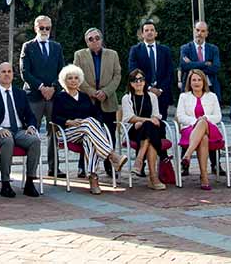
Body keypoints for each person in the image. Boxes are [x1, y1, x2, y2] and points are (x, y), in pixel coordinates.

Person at [52, 64, 127, 194]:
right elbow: (54, 117)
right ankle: (112, 155)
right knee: (88, 123)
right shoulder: (60, 97)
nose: (73, 80)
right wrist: (68, 121)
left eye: (76, 78)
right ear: (64, 80)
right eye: (70, 78)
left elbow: (96, 114)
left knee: (89, 137)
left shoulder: (85, 96)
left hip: (87, 132)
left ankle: (93, 178)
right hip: (67, 132)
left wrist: (95, 122)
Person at [0, 61, 41, 198]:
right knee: (8, 141)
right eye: (3, 72)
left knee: (35, 140)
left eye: (9, 71)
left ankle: (30, 182)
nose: (7, 74)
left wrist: (31, 126)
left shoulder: (20, 94)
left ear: (13, 74)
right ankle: (5, 184)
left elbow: (30, 115)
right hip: (0, 132)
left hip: (19, 130)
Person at [73, 27, 122, 177]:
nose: (94, 41)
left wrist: (106, 92)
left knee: (109, 134)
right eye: (91, 39)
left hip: (108, 100)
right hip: (88, 101)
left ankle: (110, 165)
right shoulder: (79, 55)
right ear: (86, 42)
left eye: (97, 38)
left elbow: (117, 75)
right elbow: (77, 76)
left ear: (101, 39)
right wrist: (92, 92)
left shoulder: (112, 54)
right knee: (87, 133)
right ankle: (83, 165)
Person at [19, 14, 64, 174]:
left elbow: (62, 71)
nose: (45, 30)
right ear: (35, 28)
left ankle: (54, 168)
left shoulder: (57, 47)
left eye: (48, 28)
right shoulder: (28, 46)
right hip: (34, 97)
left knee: (54, 133)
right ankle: (32, 170)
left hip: (53, 96)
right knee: (33, 133)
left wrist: (52, 87)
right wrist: (41, 87)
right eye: (42, 27)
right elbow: (25, 72)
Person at [176, 69, 223, 191]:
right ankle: (204, 176)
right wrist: (195, 122)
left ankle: (187, 154)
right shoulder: (184, 97)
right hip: (190, 130)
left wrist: (205, 118)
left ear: (204, 81)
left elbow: (218, 116)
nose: (196, 82)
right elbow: (180, 116)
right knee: (203, 138)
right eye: (193, 80)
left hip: (211, 129)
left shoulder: (212, 96)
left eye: (199, 79)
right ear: (189, 82)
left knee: (203, 122)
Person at [120, 68, 166, 191]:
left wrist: (145, 121)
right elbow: (128, 117)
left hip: (150, 128)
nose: (138, 82)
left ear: (145, 82)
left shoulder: (152, 96)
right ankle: (153, 178)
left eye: (141, 79)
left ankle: (139, 160)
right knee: (148, 128)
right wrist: (146, 120)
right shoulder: (127, 98)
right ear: (130, 83)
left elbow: (156, 115)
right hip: (134, 130)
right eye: (135, 80)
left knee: (148, 127)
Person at [128, 19, 174, 117]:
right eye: (146, 30)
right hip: (142, 93)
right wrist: (149, 88)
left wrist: (160, 89)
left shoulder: (165, 50)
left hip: (162, 94)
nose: (149, 32)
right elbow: (133, 71)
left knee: (161, 125)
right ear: (142, 34)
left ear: (156, 33)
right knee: (144, 125)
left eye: (152, 30)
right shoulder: (135, 50)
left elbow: (169, 72)